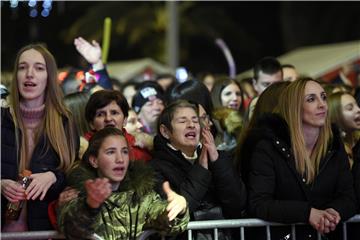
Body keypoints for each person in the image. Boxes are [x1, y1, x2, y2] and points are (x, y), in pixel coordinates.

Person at [246, 78, 357, 239]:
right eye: (311, 99)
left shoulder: (334, 144)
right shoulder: (268, 147)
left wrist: (334, 211)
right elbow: (259, 203)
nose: (322, 104)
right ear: (294, 107)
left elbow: (348, 197)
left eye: (324, 97)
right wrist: (307, 213)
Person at [58, 127, 189, 240]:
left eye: (124, 152)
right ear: (94, 160)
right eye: (111, 152)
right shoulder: (75, 194)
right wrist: (90, 206)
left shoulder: (141, 196)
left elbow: (165, 221)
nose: (120, 159)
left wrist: (179, 207)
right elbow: (71, 229)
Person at [1, 44, 78, 231]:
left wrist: (52, 177)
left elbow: (75, 174)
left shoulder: (64, 122)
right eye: (22, 67)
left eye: (39, 68)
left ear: (49, 77)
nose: (29, 73)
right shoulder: (1, 119)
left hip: (46, 230)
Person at [150, 100, 246, 239]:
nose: (191, 125)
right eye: (182, 121)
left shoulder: (218, 158)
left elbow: (237, 204)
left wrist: (217, 160)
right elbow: (175, 214)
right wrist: (201, 170)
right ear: (165, 132)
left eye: (195, 120)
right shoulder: (155, 168)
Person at [84, 89, 152, 161]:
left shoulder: (141, 152)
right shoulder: (82, 152)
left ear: (125, 120)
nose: (108, 118)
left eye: (114, 113)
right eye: (100, 114)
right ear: (91, 124)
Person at [328, 91, 360, 166]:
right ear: (336, 117)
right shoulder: (334, 151)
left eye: (357, 105)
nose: (358, 110)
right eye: (350, 108)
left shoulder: (357, 140)